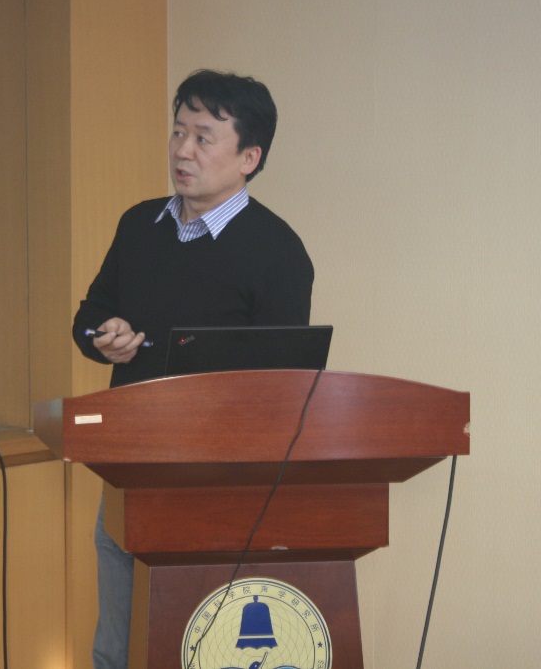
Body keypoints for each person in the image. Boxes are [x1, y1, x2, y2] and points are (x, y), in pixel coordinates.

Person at [72, 69, 314, 669]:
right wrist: (104, 337)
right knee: (116, 648)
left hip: (218, 485)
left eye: (204, 137)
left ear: (249, 158)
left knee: (199, 646)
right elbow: (88, 317)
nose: (183, 150)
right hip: (129, 464)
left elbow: (283, 388)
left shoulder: (279, 251)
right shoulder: (139, 226)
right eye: (179, 131)